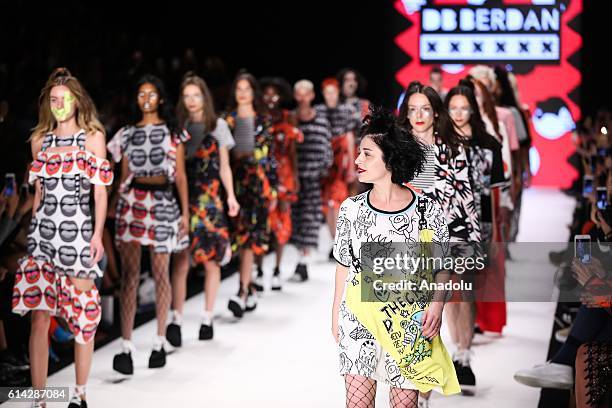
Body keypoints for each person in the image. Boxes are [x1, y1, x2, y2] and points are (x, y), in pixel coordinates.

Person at [331, 106, 459, 408]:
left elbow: (442, 266)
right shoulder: (351, 209)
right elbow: (343, 266)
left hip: (407, 322)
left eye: (367, 154)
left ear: (389, 159)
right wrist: (336, 314)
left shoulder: (426, 209)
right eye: (359, 153)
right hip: (359, 318)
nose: (358, 160)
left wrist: (437, 306)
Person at [12, 67, 113, 407]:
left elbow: (100, 193)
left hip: (77, 233)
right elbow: (38, 194)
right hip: (43, 234)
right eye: (53, 100)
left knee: (82, 314)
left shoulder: (92, 137)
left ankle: (79, 395)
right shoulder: (40, 140)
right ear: (47, 103)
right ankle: (40, 399)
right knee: (40, 318)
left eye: (64, 99)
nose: (59, 105)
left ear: (77, 100)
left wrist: (97, 235)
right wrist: (28, 233)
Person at [398, 81, 481, 399]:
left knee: (430, 314)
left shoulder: (455, 147)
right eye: (412, 109)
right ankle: (416, 388)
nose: (419, 115)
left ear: (436, 112)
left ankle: (422, 393)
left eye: (425, 109)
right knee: (408, 317)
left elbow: (465, 200)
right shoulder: (395, 147)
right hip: (404, 243)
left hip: (444, 243)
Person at [109, 74, 189, 374]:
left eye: (151, 94)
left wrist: (185, 214)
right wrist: (115, 206)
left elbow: (179, 175)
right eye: (141, 94)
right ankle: (125, 347)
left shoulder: (172, 132)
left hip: (164, 204)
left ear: (160, 98)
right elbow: (124, 177)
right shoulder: (126, 133)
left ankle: (159, 341)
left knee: (160, 272)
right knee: (130, 275)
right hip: (133, 205)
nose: (146, 99)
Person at [165, 73, 239, 345]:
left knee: (210, 260)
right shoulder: (179, 127)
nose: (191, 100)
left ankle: (207, 318)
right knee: (182, 260)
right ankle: (177, 318)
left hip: (209, 200)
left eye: (196, 95)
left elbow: (224, 166)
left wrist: (230, 195)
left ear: (204, 97)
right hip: (183, 198)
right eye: (187, 96)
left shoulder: (217, 125)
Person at [223, 72, 277, 317]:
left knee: (248, 240)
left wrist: (274, 189)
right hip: (234, 187)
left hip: (258, 188)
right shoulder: (227, 121)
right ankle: (249, 288)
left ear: (253, 92)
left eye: (247, 88)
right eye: (239, 88)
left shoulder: (263, 120)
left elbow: (270, 158)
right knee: (241, 240)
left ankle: (242, 291)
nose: (243, 93)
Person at [252, 77, 302, 292]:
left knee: (282, 222)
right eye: (267, 94)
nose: (271, 98)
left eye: (275, 94)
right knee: (262, 222)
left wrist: (296, 177)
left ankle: (277, 270)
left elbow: (292, 151)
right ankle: (259, 271)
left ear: (281, 96)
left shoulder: (288, 118)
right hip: (263, 176)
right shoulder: (258, 119)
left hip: (284, 175)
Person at [289, 79, 332, 282]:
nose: (303, 97)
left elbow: (327, 148)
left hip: (314, 178)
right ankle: (299, 258)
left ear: (313, 95)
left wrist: (324, 169)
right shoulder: (290, 119)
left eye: (307, 93)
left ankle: (302, 262)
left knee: (310, 219)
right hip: (293, 178)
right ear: (295, 96)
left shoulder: (321, 120)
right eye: (299, 93)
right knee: (295, 219)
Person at [314, 78, 359, 262]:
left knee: (339, 201)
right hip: (323, 159)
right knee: (328, 203)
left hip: (341, 159)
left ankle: (342, 242)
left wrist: (351, 165)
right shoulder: (318, 111)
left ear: (338, 92)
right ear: (323, 93)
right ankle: (336, 243)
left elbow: (349, 136)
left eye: (333, 92)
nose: (330, 96)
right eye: (327, 92)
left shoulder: (346, 111)